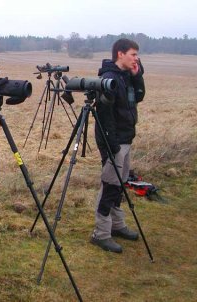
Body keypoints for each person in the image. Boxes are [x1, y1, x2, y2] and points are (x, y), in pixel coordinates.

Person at [90, 38, 145, 253]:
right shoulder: (109, 78)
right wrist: (111, 145)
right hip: (113, 142)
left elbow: (139, 97)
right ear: (120, 54)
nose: (136, 58)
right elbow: (105, 116)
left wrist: (137, 75)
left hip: (125, 139)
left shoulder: (127, 77)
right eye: (133, 54)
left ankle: (117, 225)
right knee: (110, 186)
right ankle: (101, 234)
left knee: (120, 185)